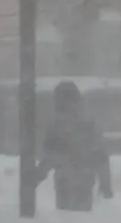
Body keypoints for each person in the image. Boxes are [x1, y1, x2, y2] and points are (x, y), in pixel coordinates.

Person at [37, 81, 113, 212]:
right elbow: (101, 156)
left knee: (66, 220)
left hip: (64, 183)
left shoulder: (57, 126)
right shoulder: (89, 124)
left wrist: (36, 177)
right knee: (81, 221)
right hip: (84, 182)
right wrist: (105, 185)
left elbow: (49, 156)